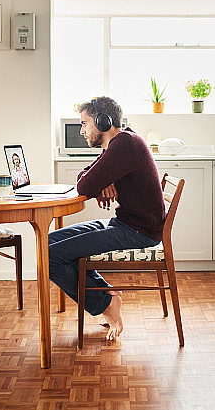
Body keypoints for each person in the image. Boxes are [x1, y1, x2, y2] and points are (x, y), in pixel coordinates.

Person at [48, 96, 165, 341]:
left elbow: (84, 185)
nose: (82, 131)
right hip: (125, 224)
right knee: (45, 244)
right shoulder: (120, 143)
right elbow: (87, 176)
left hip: (137, 231)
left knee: (48, 257)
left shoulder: (124, 146)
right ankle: (106, 295)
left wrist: (100, 181)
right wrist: (106, 180)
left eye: (84, 123)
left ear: (103, 121)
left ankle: (105, 304)